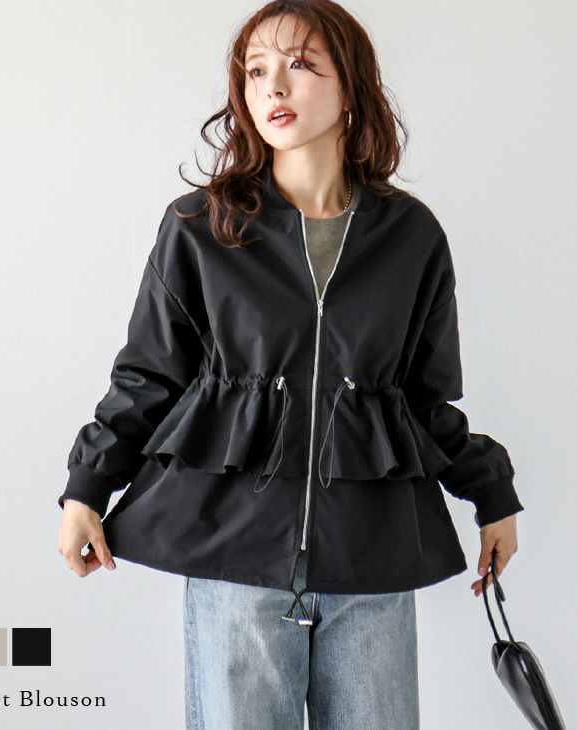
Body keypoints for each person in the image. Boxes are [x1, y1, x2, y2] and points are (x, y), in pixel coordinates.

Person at [57, 1, 524, 728]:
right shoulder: (202, 228)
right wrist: (87, 487)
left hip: (368, 562)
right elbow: (150, 376)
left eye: (301, 65)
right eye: (256, 70)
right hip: (235, 560)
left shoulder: (411, 237)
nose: (274, 86)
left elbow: (422, 401)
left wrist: (491, 492)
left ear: (351, 86)